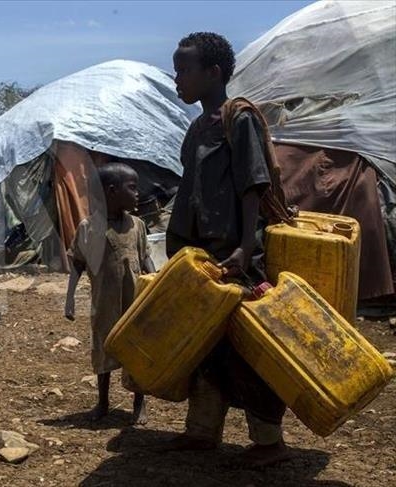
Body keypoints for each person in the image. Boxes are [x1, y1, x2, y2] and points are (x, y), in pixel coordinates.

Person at [161, 32, 291, 467]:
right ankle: (201, 432)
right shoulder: (198, 126)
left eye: (184, 70)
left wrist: (245, 248)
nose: (177, 78)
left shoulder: (239, 119)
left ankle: (269, 441)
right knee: (203, 346)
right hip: (202, 256)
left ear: (213, 72)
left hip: (236, 258)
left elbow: (253, 185)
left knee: (247, 350)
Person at [65, 163, 153, 424]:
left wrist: (157, 286)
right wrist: (69, 299)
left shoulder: (137, 226)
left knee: (136, 351)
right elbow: (77, 264)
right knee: (103, 349)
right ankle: (102, 401)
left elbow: (146, 260)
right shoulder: (89, 227)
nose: (138, 193)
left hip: (134, 302)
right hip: (104, 303)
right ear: (112, 191)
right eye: (133, 188)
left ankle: (139, 403)